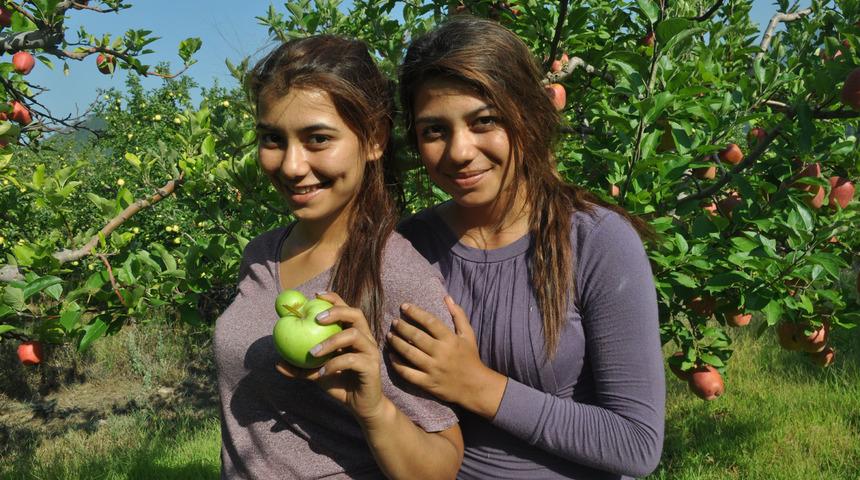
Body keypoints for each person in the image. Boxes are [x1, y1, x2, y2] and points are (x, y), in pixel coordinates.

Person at [389, 16, 665, 479]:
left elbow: (636, 443)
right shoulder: (407, 247)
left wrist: (478, 385)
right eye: (434, 130)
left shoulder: (597, 241)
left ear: (529, 116)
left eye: (484, 121)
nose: (459, 151)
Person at [214, 35, 463, 479]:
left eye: (317, 139)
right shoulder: (260, 253)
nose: (291, 165)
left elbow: (443, 466)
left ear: (374, 139)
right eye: (273, 138)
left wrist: (373, 409)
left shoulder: (397, 276)